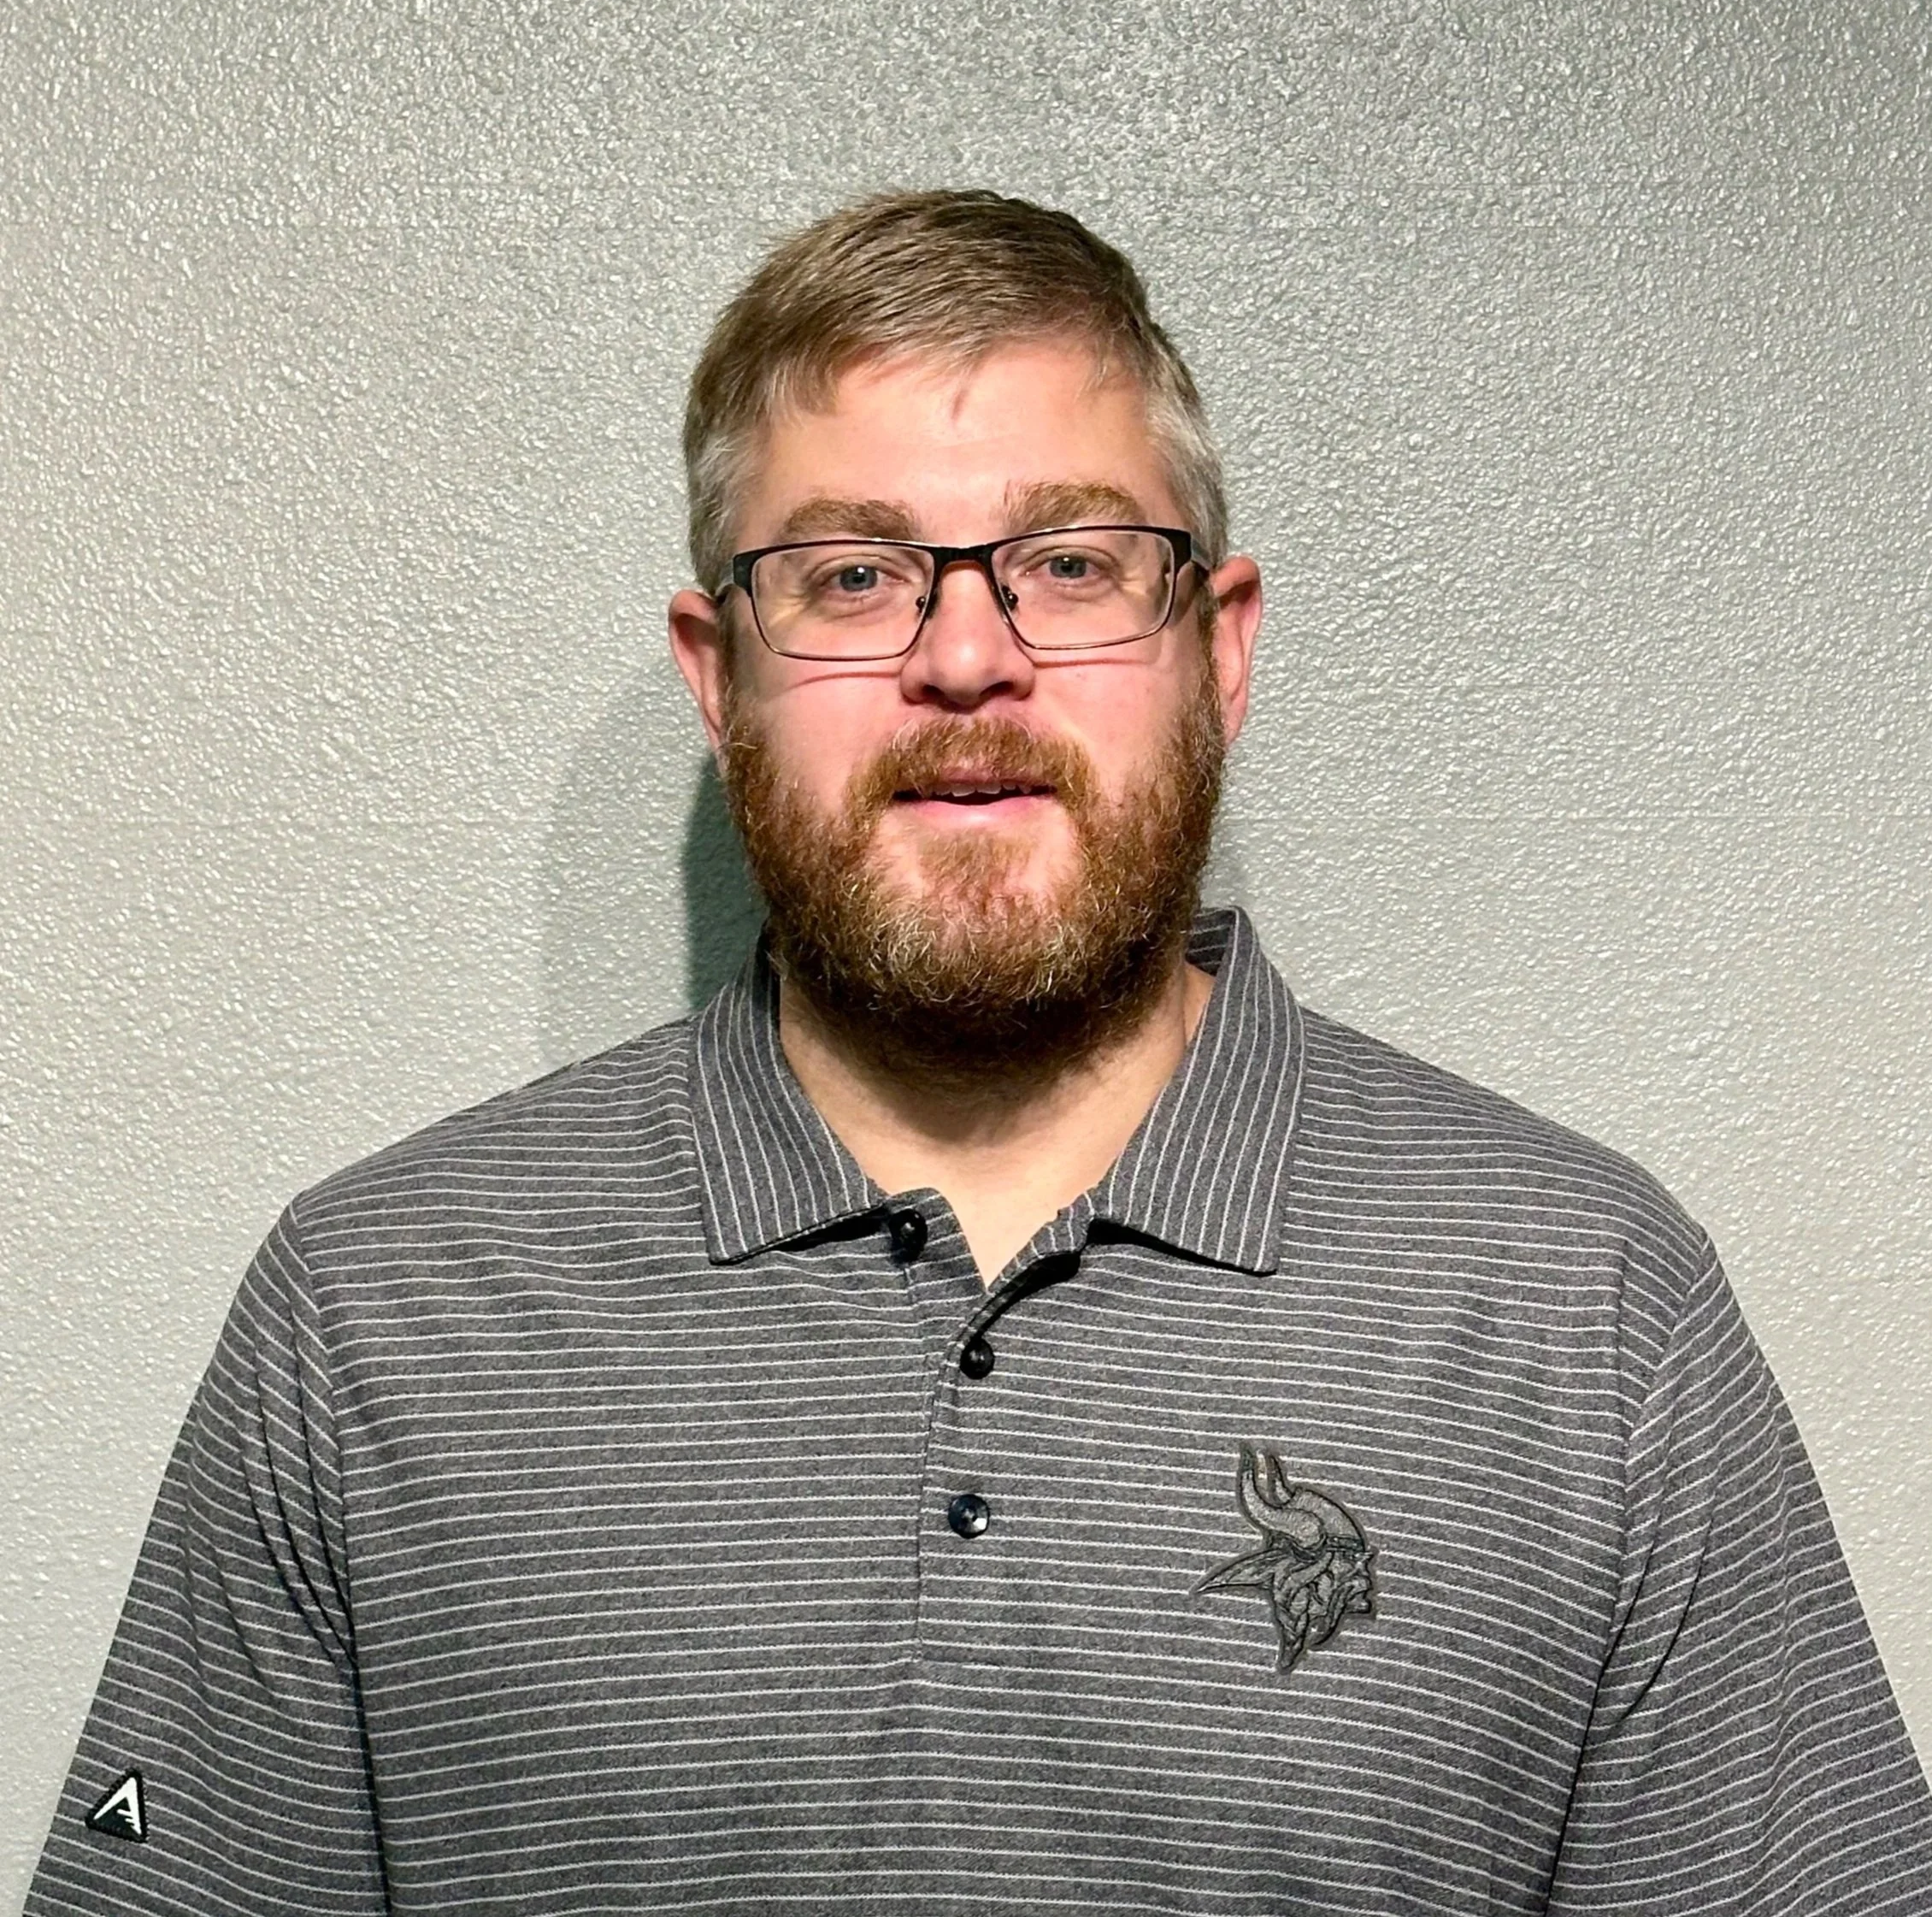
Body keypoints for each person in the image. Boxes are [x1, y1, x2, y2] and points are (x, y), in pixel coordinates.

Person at [26, 190, 1932, 1915]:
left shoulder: (1578, 1308)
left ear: (1221, 641)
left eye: (1072, 562)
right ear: (718, 673)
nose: (962, 658)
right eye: (851, 575)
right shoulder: (376, 1308)